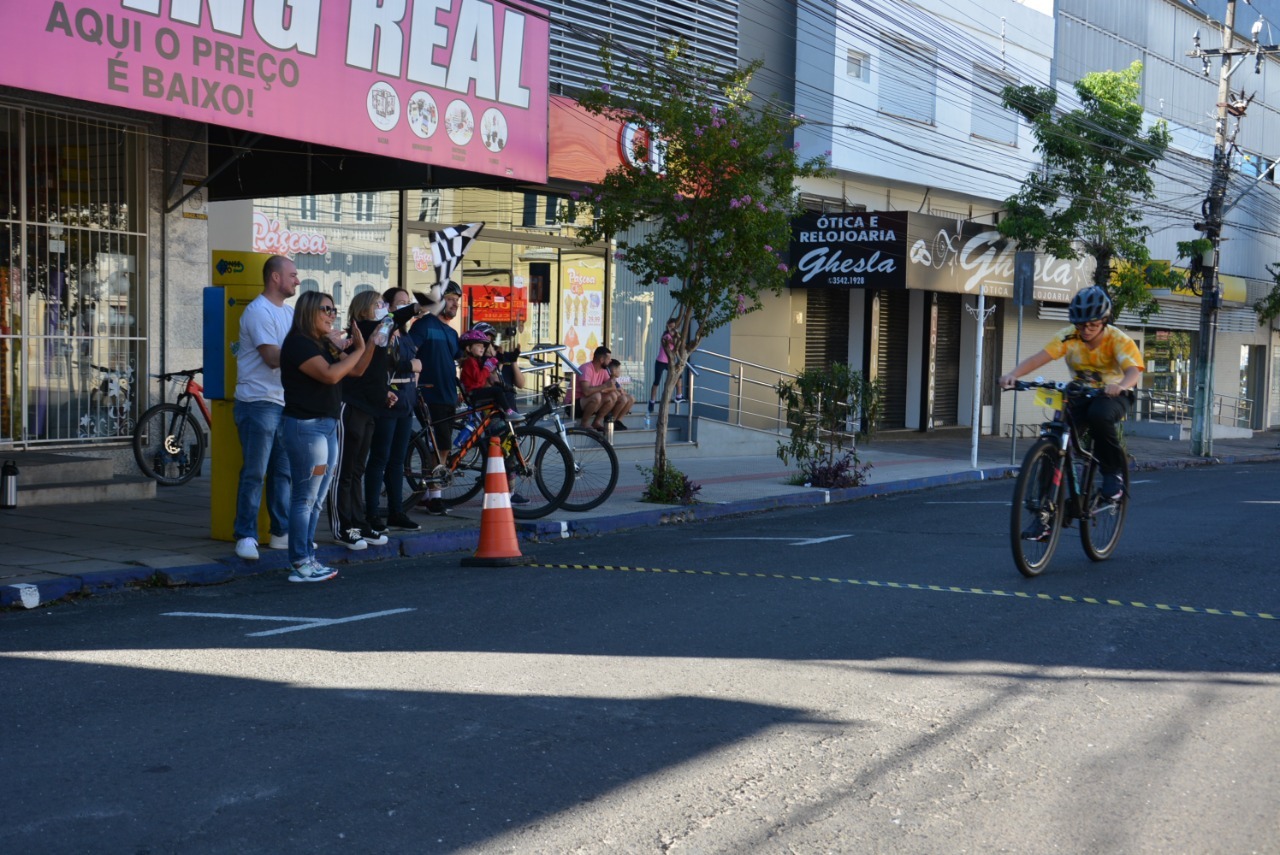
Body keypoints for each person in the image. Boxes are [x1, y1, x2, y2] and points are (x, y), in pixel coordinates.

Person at [998, 286, 1144, 503]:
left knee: (1099, 415)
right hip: (1080, 392)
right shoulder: (1068, 336)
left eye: (1092, 324)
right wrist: (1012, 374)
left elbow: (1133, 370)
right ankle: (1045, 510)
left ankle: (1113, 472)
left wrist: (1121, 385)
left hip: (1115, 393)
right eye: (1081, 324)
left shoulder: (1118, 340)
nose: (1085, 330)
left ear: (1103, 321)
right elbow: (1039, 358)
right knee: (1056, 436)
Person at [278, 291, 369, 582]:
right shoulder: (298, 343)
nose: (332, 315)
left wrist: (363, 346)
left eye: (334, 309)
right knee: (304, 498)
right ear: (308, 312)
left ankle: (308, 558)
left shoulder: (323, 343)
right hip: (306, 428)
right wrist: (356, 349)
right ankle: (299, 561)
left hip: (326, 426)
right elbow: (331, 375)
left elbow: (356, 371)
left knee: (317, 499)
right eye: (326, 309)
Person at [232, 254, 296, 562]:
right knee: (255, 472)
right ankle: (245, 535)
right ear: (275, 277)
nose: (297, 279)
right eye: (292, 274)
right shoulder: (257, 312)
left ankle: (280, 532)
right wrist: (305, 356)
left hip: (283, 401)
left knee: (282, 472)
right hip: (258, 402)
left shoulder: (291, 313)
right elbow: (272, 357)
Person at [327, 291, 396, 550]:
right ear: (364, 308)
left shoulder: (376, 332)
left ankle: (357, 522)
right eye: (378, 304)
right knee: (344, 470)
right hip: (351, 407)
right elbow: (357, 372)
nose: (383, 308)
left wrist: (384, 393)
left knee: (357, 469)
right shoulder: (365, 329)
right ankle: (343, 526)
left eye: (383, 304)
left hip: (368, 407)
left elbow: (374, 374)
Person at [364, 287, 424, 533]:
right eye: (400, 303)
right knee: (379, 458)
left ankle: (396, 511)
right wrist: (411, 365)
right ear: (387, 307)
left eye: (407, 303)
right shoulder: (384, 332)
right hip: (387, 402)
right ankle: (371, 513)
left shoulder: (406, 335)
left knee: (398, 462)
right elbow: (386, 361)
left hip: (406, 402)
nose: (405, 307)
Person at [405, 280, 464, 516]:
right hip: (430, 393)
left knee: (440, 445)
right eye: (450, 299)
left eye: (457, 301)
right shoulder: (423, 325)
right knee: (441, 444)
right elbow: (409, 352)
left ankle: (429, 494)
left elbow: (458, 359)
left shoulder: (452, 332)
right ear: (438, 301)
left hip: (448, 394)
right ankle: (435, 497)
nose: (454, 305)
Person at [575, 345, 628, 431]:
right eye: (608, 359)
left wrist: (604, 388)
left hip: (588, 402)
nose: (610, 361)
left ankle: (596, 422)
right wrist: (604, 387)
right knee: (597, 396)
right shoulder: (586, 368)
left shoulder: (603, 370)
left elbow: (613, 387)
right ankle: (584, 423)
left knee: (613, 396)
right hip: (574, 405)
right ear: (601, 360)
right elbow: (586, 392)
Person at [648, 317, 683, 412]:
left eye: (673, 326)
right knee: (656, 382)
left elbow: (679, 344)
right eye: (670, 326)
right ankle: (652, 401)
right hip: (660, 361)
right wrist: (673, 334)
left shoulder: (677, 336)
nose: (671, 328)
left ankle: (679, 395)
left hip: (670, 362)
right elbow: (672, 343)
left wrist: (677, 335)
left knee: (679, 375)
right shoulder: (666, 336)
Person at [607, 358, 635, 429]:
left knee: (631, 398)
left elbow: (622, 391)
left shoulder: (615, 381)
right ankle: (612, 421)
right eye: (618, 369)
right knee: (624, 399)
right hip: (610, 402)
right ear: (613, 370)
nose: (620, 371)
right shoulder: (608, 379)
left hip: (617, 401)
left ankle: (618, 420)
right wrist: (620, 392)